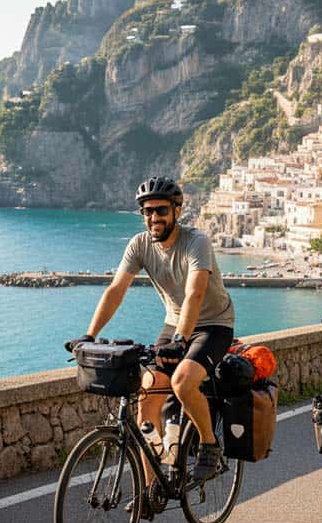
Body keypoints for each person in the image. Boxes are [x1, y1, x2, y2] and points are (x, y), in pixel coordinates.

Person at [70, 176, 235, 506]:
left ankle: (209, 445)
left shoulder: (196, 242)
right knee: (146, 397)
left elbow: (195, 294)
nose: (153, 217)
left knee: (183, 382)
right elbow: (116, 290)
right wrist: (88, 335)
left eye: (160, 210)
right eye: (146, 212)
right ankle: (151, 488)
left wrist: (180, 340)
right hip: (174, 323)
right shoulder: (139, 244)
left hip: (213, 325)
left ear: (176, 210)